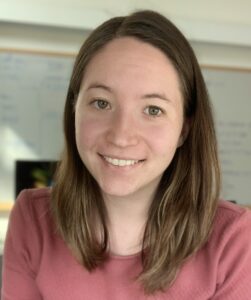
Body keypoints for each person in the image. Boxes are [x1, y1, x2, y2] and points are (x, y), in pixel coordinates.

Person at [2, 10, 251, 300]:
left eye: (153, 110)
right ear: (74, 109)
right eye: (101, 103)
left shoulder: (232, 241)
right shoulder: (33, 218)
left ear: (184, 128)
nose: (121, 136)